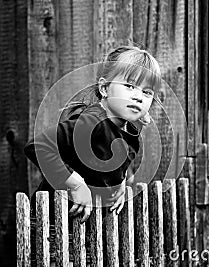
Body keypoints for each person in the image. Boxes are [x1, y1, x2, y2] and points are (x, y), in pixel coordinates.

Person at [24, 45, 162, 225]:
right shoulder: (91, 123)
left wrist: (119, 183)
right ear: (104, 88)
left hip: (85, 230)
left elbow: (115, 154)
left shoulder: (131, 132)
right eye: (129, 86)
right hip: (51, 226)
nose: (138, 97)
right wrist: (75, 184)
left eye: (147, 92)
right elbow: (38, 146)